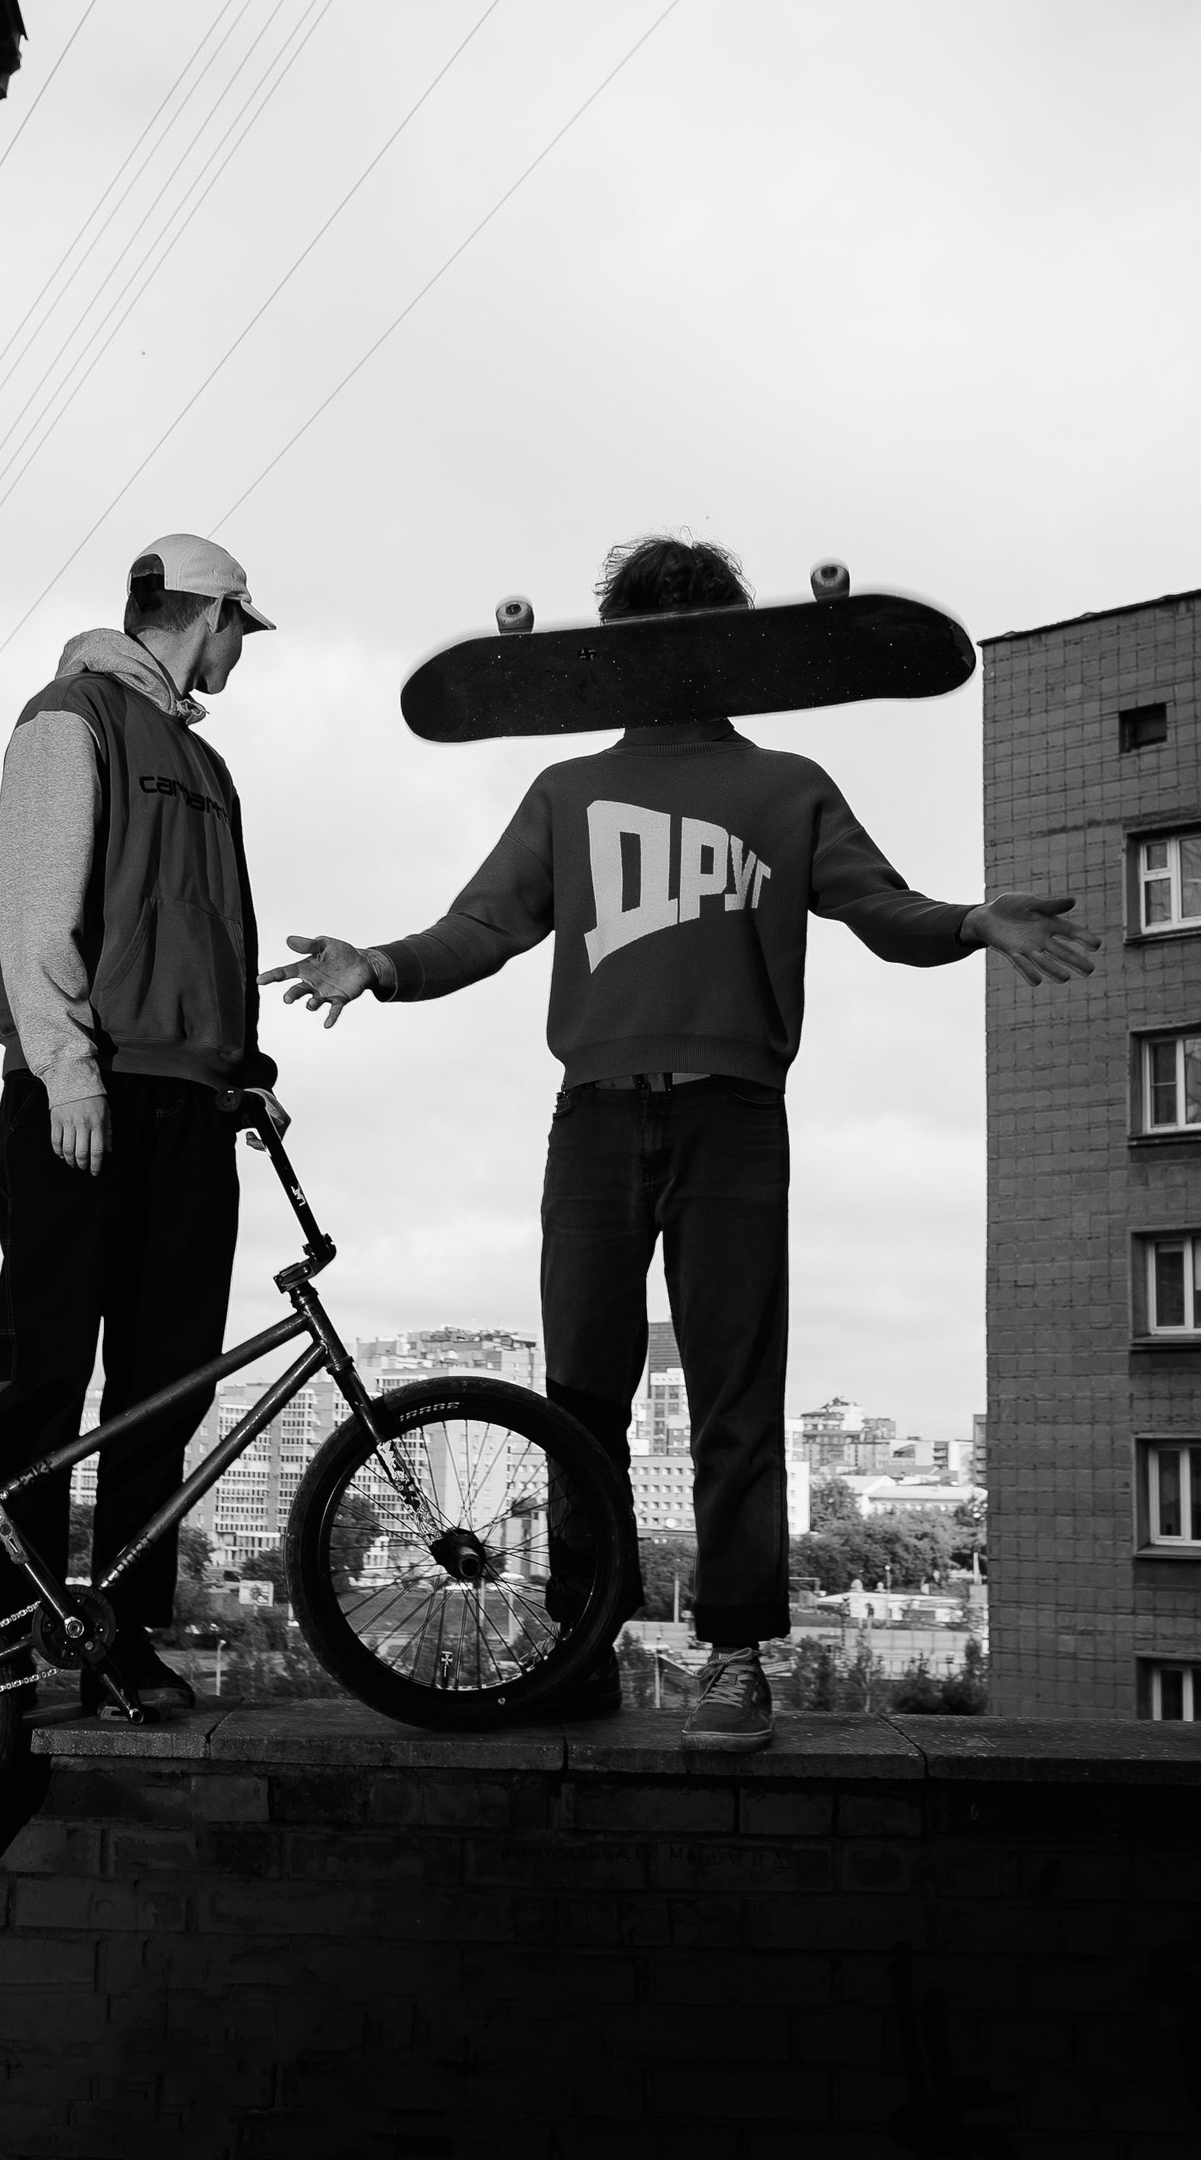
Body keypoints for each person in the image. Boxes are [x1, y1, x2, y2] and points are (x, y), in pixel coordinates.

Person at [259, 534, 1097, 1751]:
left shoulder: (788, 785)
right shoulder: (567, 791)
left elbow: (881, 909)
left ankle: (737, 1658)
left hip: (734, 1122)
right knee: (580, 1398)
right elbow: (482, 925)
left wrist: (971, 919)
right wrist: (379, 963)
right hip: (595, 1120)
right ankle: (581, 1645)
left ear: (735, 648)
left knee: (736, 1397)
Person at [0, 532, 284, 1717]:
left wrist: (243, 1074)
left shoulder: (208, 767)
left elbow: (211, 938)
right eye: (241, 634)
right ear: (212, 617)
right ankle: (2, 1643)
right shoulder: (69, 717)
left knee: (166, 1385)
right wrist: (67, 1072)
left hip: (190, 1111)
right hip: (83, 1096)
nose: (241, 656)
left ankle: (117, 1637)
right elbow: (33, 909)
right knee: (46, 1374)